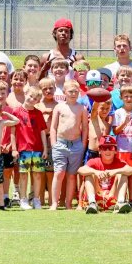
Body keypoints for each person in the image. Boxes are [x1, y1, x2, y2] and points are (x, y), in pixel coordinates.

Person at [48, 80, 88, 210]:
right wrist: (53, 144)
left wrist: (82, 144)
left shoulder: (82, 108)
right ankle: (54, 202)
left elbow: (85, 128)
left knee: (71, 175)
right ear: (64, 92)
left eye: (76, 91)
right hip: (60, 143)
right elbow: (53, 127)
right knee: (59, 173)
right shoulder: (59, 107)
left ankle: (68, 203)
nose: (73, 94)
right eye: (70, 91)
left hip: (76, 145)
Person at [78, 135, 132, 214]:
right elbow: (80, 170)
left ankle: (120, 203)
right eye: (104, 148)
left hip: (113, 198)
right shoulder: (94, 161)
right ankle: (92, 203)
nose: (107, 151)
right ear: (99, 151)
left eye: (111, 148)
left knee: (123, 174)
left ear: (115, 151)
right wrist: (96, 172)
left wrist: (115, 171)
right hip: (97, 197)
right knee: (89, 174)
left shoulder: (119, 162)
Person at [111, 85, 132, 209]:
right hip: (121, 149)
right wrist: (124, 123)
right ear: (121, 98)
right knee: (121, 174)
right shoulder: (118, 112)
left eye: (131, 96)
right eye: (126, 96)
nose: (129, 98)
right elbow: (115, 131)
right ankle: (120, 199)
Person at [14, 87, 48, 210]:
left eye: (35, 99)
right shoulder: (17, 111)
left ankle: (36, 199)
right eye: (31, 96)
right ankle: (23, 199)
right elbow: (12, 131)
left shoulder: (38, 113)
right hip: (23, 149)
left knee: (38, 175)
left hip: (37, 149)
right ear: (26, 93)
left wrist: (45, 149)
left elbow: (43, 132)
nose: (32, 99)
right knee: (23, 175)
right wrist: (14, 148)